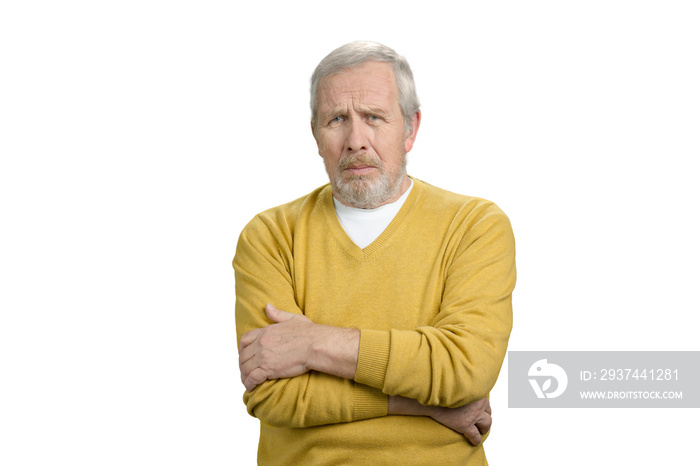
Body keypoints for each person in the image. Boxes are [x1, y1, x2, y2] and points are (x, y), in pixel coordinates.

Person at [234, 41, 516, 465]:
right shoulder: (270, 236)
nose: (356, 140)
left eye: (374, 118)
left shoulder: (475, 225)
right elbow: (273, 395)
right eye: (337, 119)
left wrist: (313, 344)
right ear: (316, 134)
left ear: (411, 129)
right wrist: (424, 404)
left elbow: (464, 369)